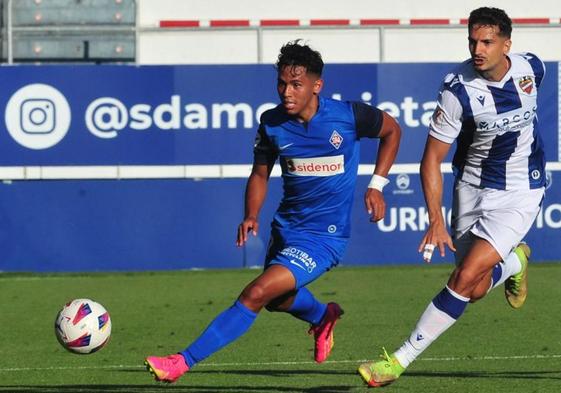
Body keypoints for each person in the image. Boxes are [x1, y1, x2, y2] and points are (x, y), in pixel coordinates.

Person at [144, 40, 401, 383]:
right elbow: (260, 173)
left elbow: (392, 130)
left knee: (255, 293)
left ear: (316, 86)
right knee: (277, 301)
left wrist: (377, 184)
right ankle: (323, 316)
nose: (286, 92)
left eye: (296, 84)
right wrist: (251, 214)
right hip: (287, 229)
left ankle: (180, 362)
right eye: (282, 83)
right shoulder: (272, 123)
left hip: (325, 238)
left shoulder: (348, 116)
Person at [358, 7, 546, 388]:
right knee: (474, 289)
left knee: (462, 278)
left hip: (522, 190)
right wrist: (435, 220)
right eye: (473, 41)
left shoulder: (533, 68)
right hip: (472, 188)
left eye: (487, 42)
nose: (478, 49)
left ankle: (397, 360)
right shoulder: (458, 92)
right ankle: (514, 263)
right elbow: (431, 159)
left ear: (506, 44)